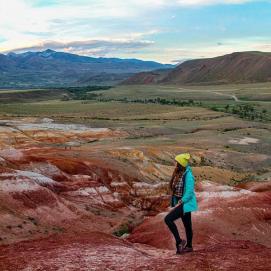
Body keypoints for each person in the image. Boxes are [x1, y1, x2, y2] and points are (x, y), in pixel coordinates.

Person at [164, 153, 198, 254]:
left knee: (168, 219)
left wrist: (181, 201)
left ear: (181, 164)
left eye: (177, 162)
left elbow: (189, 191)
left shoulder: (188, 176)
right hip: (181, 202)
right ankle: (189, 247)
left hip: (185, 203)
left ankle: (179, 242)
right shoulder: (179, 172)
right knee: (187, 225)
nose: (175, 163)